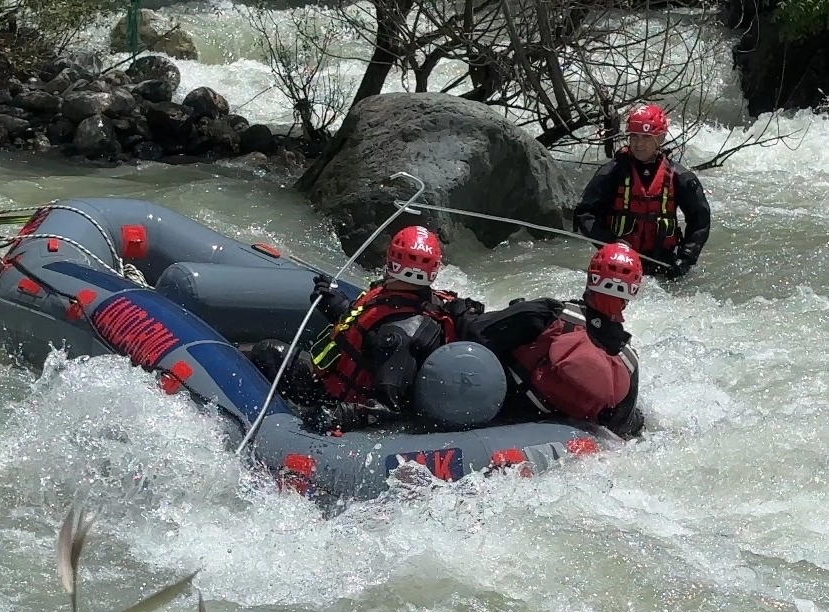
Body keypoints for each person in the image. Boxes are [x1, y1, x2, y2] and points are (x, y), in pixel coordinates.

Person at [247, 225, 482, 433]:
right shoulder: (412, 298)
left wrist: (335, 415)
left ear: (391, 260)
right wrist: (338, 305)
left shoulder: (397, 336)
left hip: (337, 399)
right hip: (337, 380)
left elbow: (388, 408)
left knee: (267, 351)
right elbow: (367, 323)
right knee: (270, 352)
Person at [451, 242, 645, 438]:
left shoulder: (548, 314)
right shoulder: (629, 361)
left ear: (591, 277)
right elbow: (621, 429)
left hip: (509, 420)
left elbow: (476, 332)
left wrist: (461, 309)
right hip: (571, 441)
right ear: (633, 291)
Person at [573, 104, 712, 280]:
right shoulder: (612, 172)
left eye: (646, 137)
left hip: (665, 263)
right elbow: (585, 213)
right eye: (634, 136)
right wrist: (612, 243)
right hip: (619, 262)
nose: (638, 144)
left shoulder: (680, 177)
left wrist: (686, 257)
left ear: (660, 139)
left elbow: (700, 219)